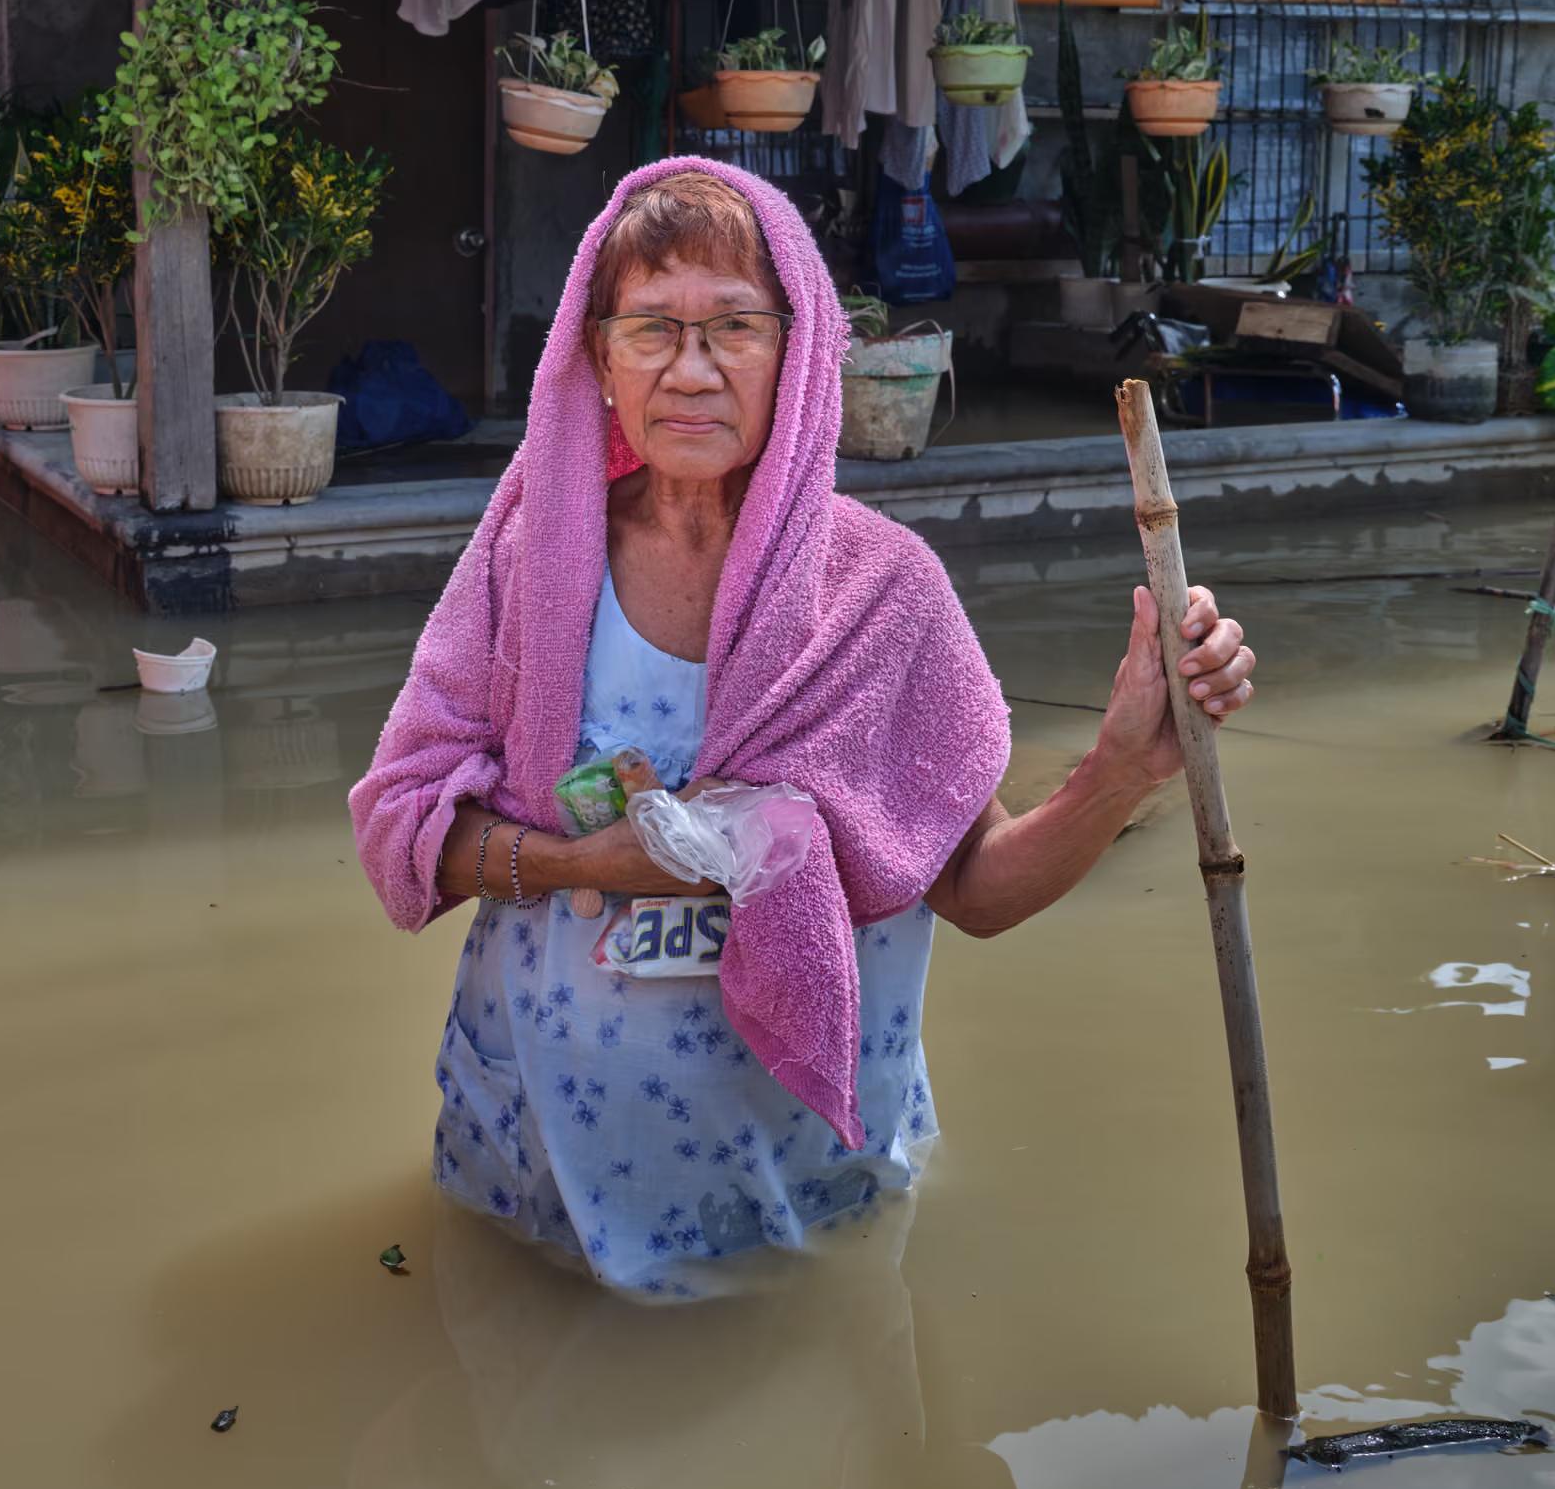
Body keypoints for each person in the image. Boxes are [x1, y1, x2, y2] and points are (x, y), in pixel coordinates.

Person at [351, 161, 1255, 1295]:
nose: (691, 369)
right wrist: (592, 864)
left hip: (807, 1192)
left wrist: (1124, 766)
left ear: (800, 351)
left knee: (817, 1431)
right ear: (596, 354)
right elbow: (404, 813)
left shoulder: (883, 592)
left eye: (735, 326)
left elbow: (975, 891)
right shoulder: (528, 563)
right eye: (651, 329)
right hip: (541, 1177)